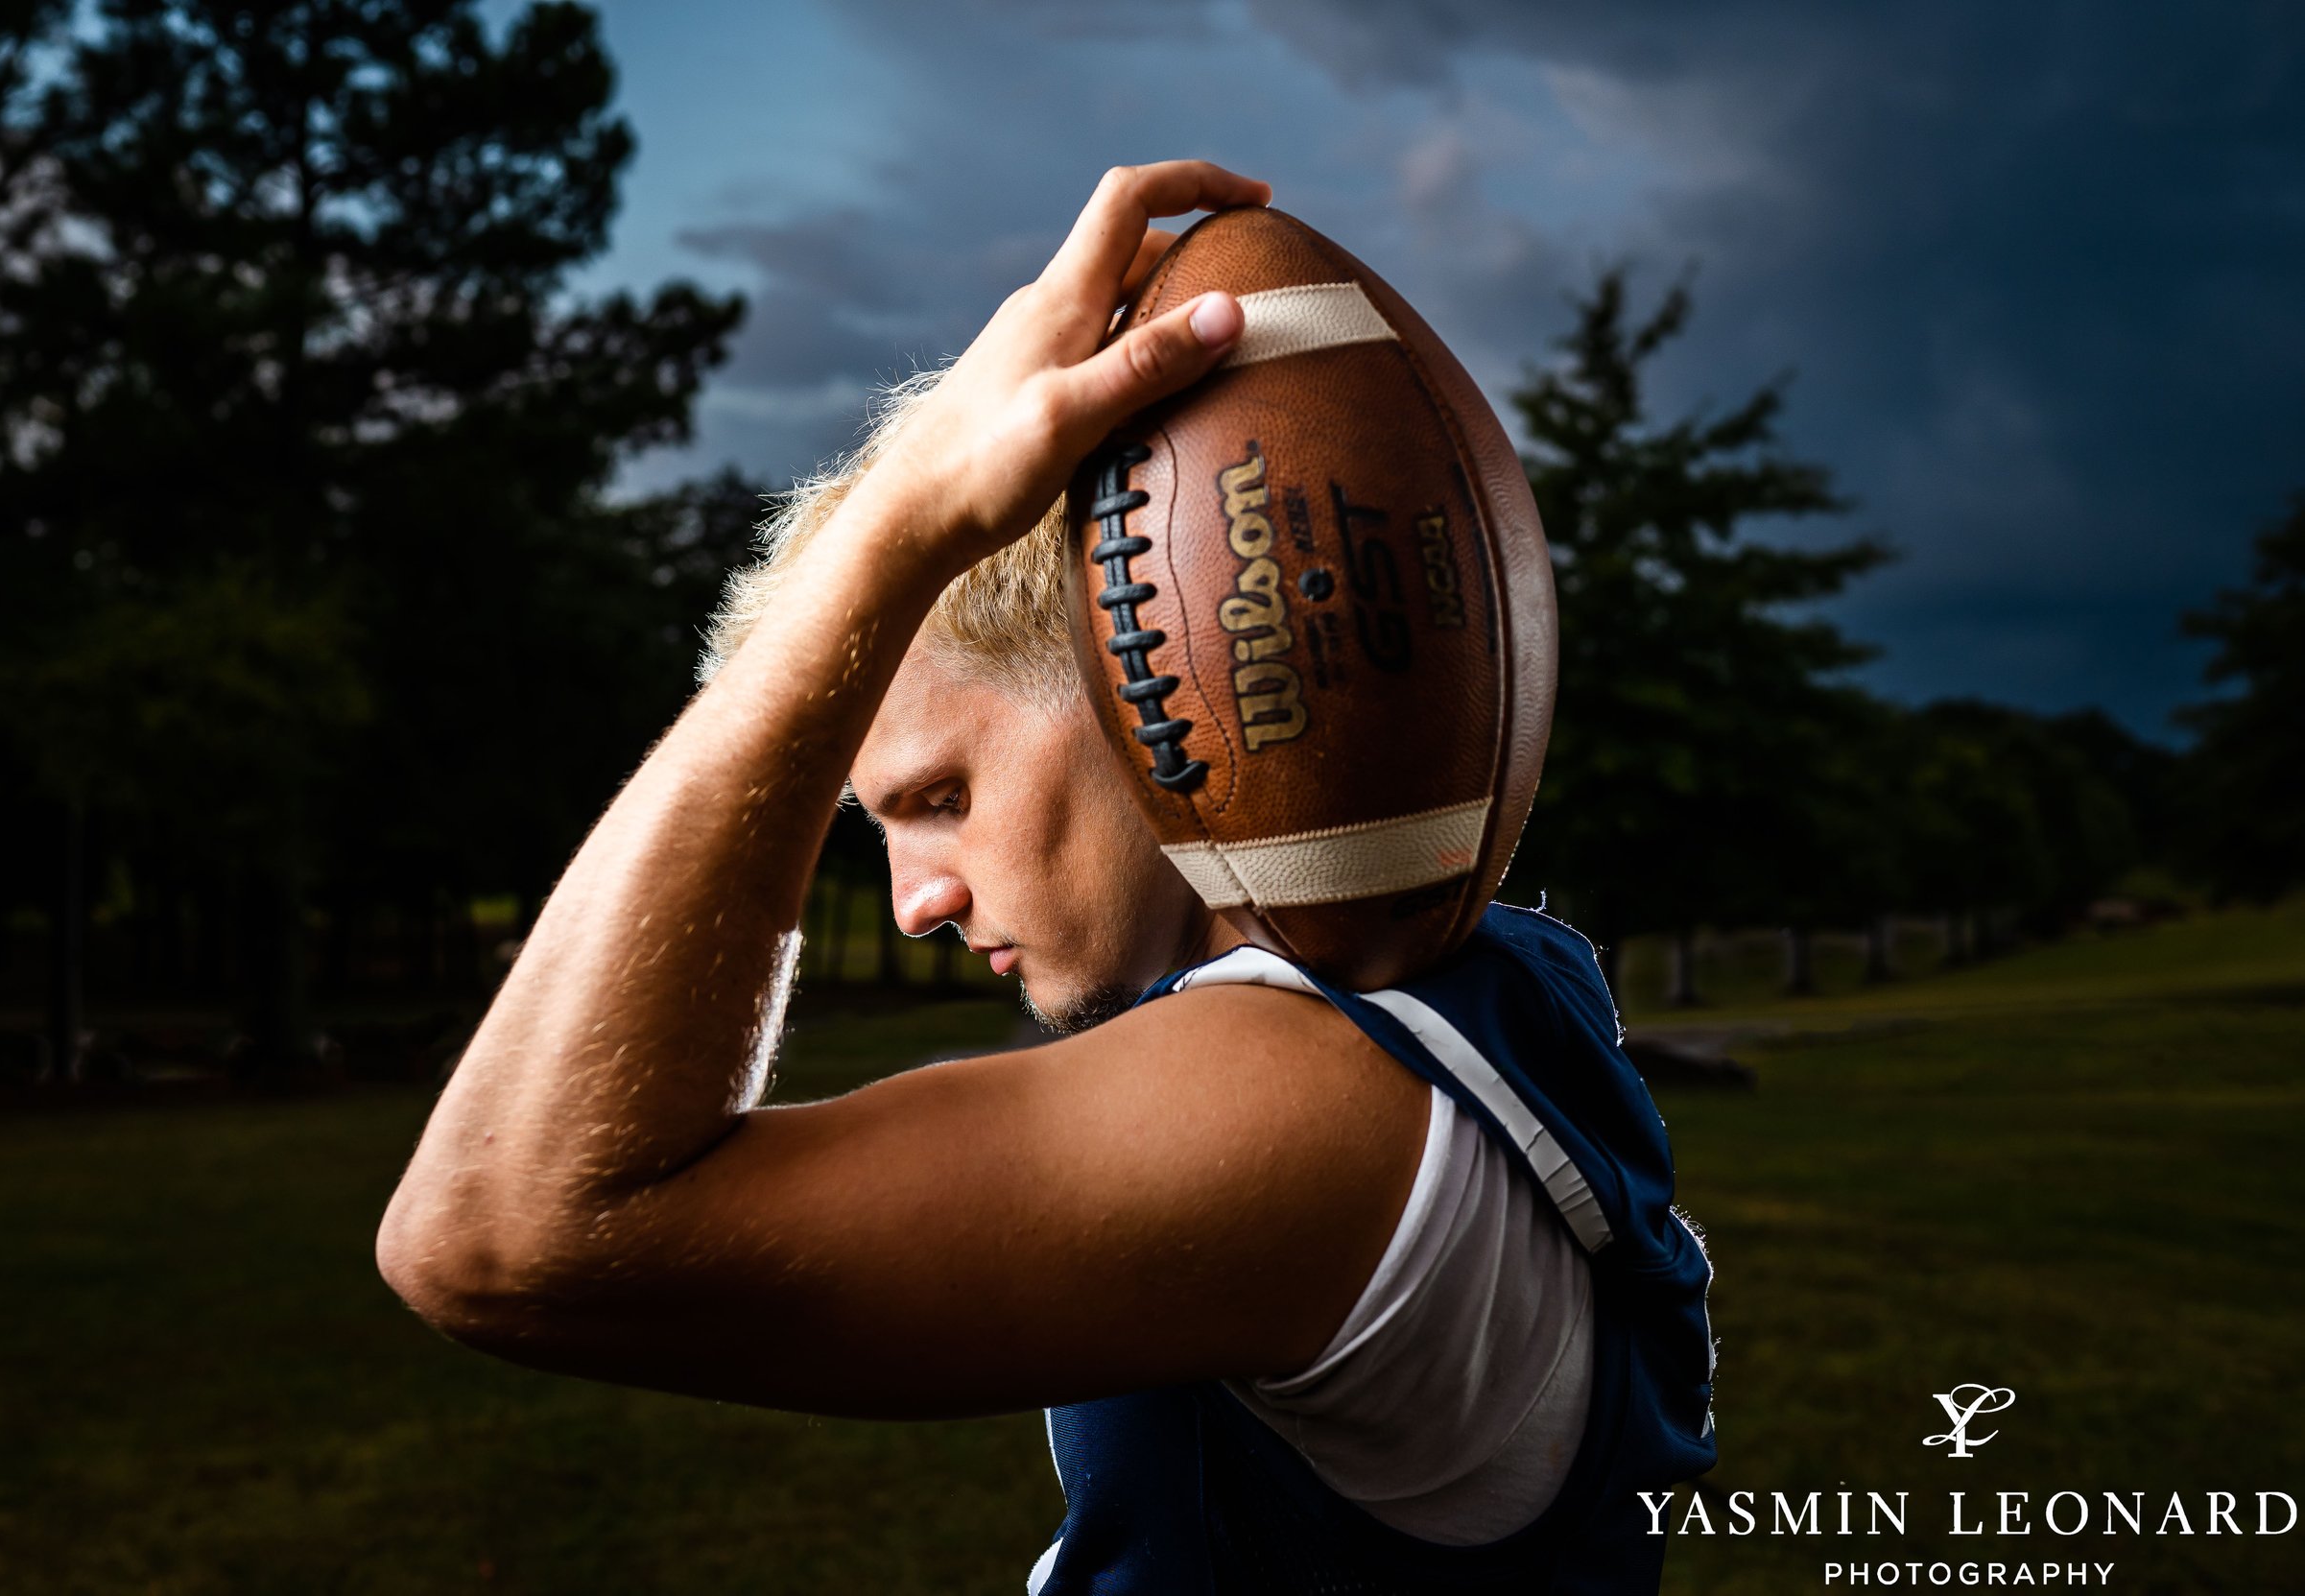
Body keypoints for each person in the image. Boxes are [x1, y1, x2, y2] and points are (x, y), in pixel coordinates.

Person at [377, 160, 1715, 1593]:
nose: (916, 900)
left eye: (941, 798)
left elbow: (498, 1233)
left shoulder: (1305, 1111)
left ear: (1154, 701)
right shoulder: (1500, 983)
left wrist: (904, 530)